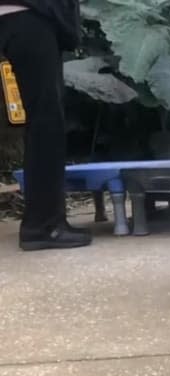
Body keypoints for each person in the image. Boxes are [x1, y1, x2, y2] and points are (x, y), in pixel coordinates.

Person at [0, 0, 92, 250]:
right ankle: (43, 227)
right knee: (46, 123)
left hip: (17, 17)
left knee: (41, 122)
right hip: (29, 16)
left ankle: (43, 224)